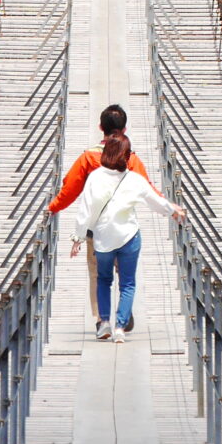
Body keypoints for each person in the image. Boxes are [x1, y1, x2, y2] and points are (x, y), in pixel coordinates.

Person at [62, 132, 183, 342]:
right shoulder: (134, 179)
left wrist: (78, 239)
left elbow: (85, 211)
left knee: (104, 280)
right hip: (128, 237)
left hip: (103, 239)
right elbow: (154, 201)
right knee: (127, 283)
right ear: (126, 156)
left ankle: (104, 324)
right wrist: (172, 210)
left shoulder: (94, 178)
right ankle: (120, 327)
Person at [49, 104, 159, 325]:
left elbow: (70, 188)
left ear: (100, 127)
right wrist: (168, 206)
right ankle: (124, 314)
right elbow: (147, 188)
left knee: (99, 274)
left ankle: (102, 319)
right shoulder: (132, 159)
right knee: (126, 277)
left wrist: (53, 207)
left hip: (96, 229)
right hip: (125, 227)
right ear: (125, 129)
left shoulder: (88, 158)